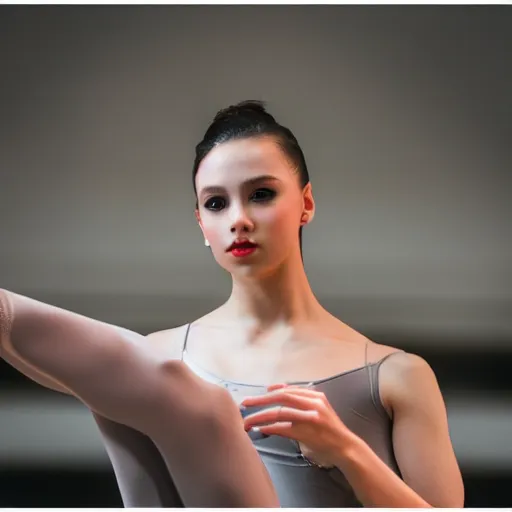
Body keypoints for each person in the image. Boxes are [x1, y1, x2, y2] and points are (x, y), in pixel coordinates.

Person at [1, 100, 464, 508]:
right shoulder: (161, 357)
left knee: (166, 389)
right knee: (136, 385)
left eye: (261, 194)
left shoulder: (396, 376)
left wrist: (346, 450)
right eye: (217, 204)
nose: (238, 219)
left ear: (306, 203)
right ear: (201, 223)